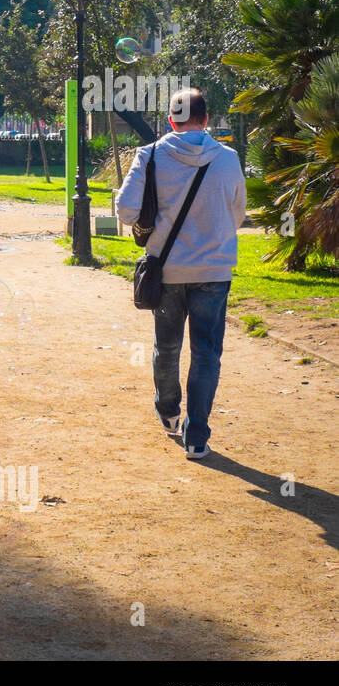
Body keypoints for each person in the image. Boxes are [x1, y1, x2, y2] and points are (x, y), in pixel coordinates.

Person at [117, 88, 247, 459]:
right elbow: (237, 213)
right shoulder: (229, 158)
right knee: (207, 353)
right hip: (215, 270)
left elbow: (126, 212)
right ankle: (197, 437)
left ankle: (169, 410)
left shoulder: (151, 155)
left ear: (170, 121)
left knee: (167, 347)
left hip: (167, 270)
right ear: (206, 120)